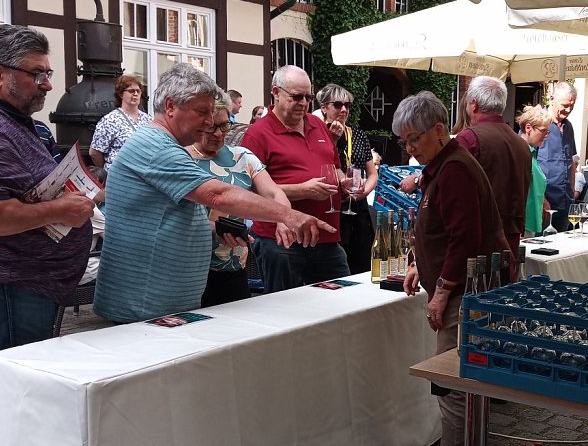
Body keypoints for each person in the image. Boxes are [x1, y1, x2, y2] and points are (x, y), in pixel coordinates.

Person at [0, 24, 95, 445]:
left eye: (48, 74)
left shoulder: (7, 120)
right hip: (4, 284)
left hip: (15, 283)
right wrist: (64, 208)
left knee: (6, 392)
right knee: (12, 395)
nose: (46, 84)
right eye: (36, 74)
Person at [94, 63, 334, 323]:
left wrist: (215, 228)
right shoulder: (156, 148)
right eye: (202, 112)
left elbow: (164, 214)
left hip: (158, 305)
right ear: (171, 107)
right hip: (144, 306)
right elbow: (217, 194)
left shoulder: (161, 145)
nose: (210, 122)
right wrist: (289, 216)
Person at [395, 91, 508, 446]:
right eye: (404, 141)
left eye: (414, 138)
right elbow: (441, 228)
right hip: (463, 288)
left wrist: (441, 292)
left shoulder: (455, 167)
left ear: (440, 129)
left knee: (454, 387)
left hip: (465, 294)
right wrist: (418, 264)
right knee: (459, 385)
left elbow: (465, 239)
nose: (409, 148)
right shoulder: (442, 165)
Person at [240, 65, 351, 293]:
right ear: (276, 93)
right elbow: (248, 190)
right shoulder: (257, 134)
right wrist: (303, 190)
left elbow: (334, 167)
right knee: (287, 310)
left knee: (343, 302)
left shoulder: (318, 124)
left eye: (308, 97)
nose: (303, 103)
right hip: (281, 240)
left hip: (326, 236)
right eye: (296, 97)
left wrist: (344, 181)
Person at [186, 93, 292, 307]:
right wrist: (215, 228)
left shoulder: (243, 157)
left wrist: (284, 218)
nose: (218, 134)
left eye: (224, 126)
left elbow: (273, 192)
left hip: (234, 269)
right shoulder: (181, 158)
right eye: (211, 127)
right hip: (191, 272)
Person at [457, 76, 531, 262]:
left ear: (473, 104)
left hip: (479, 239)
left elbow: (452, 189)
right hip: (511, 236)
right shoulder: (521, 144)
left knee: (477, 289)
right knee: (503, 289)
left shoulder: (469, 139)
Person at [318, 83, 379, 274]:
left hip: (358, 206)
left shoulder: (358, 135)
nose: (343, 109)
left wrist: (364, 192)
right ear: (323, 107)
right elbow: (326, 165)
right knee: (338, 268)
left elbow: (372, 172)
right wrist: (333, 141)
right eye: (337, 104)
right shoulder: (318, 135)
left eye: (347, 105)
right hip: (335, 206)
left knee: (362, 263)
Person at [536, 82, 578, 232]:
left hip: (565, 199)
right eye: (565, 105)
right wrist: (541, 199)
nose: (568, 110)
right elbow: (526, 162)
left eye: (572, 106)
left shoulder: (568, 127)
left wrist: (572, 192)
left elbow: (571, 161)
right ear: (552, 99)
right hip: (544, 200)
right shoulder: (538, 123)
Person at [89, 74, 153, 171]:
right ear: (121, 94)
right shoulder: (110, 120)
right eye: (131, 91)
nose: (135, 94)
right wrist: (108, 171)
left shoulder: (148, 119)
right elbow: (94, 152)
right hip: (119, 177)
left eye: (138, 91)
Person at [517, 106, 553, 236]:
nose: (545, 136)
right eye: (543, 131)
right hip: (522, 225)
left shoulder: (531, 152)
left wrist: (543, 201)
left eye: (547, 132)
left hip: (530, 222)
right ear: (528, 128)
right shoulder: (520, 151)